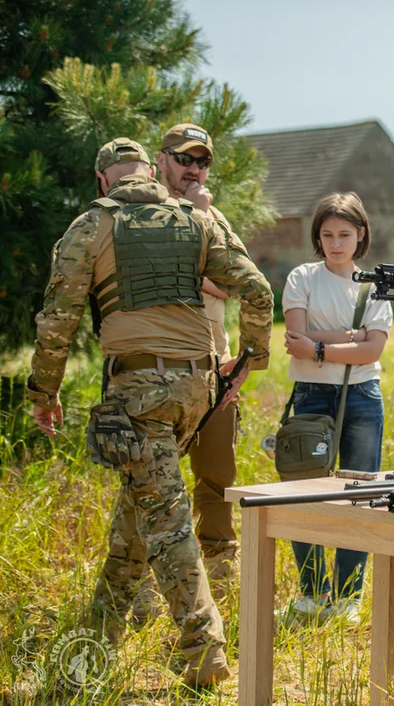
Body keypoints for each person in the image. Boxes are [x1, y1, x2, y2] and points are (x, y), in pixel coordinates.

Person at [27, 137, 273, 687]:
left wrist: (44, 394)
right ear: (152, 172)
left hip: (139, 392)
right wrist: (247, 364)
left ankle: (204, 650)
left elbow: (57, 321)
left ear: (102, 180)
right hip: (197, 391)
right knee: (138, 515)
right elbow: (257, 291)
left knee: (166, 522)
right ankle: (97, 640)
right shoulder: (195, 219)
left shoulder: (91, 225)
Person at [280, 192, 393, 624]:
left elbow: (374, 351)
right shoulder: (302, 276)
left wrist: (322, 344)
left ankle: (347, 597)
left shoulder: (374, 283)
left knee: (359, 494)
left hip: (363, 396)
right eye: (327, 234)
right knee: (303, 491)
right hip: (310, 394)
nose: (335, 243)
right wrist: (352, 337)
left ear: (361, 234)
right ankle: (311, 593)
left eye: (344, 234)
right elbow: (296, 341)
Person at [155, 123, 240, 580]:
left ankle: (221, 574)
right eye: (184, 158)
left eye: (202, 161)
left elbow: (233, 283)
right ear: (161, 159)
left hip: (214, 369)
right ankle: (151, 581)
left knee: (216, 479)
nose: (193, 169)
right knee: (151, 484)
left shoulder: (214, 215)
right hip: (157, 372)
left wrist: (202, 218)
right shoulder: (142, 212)